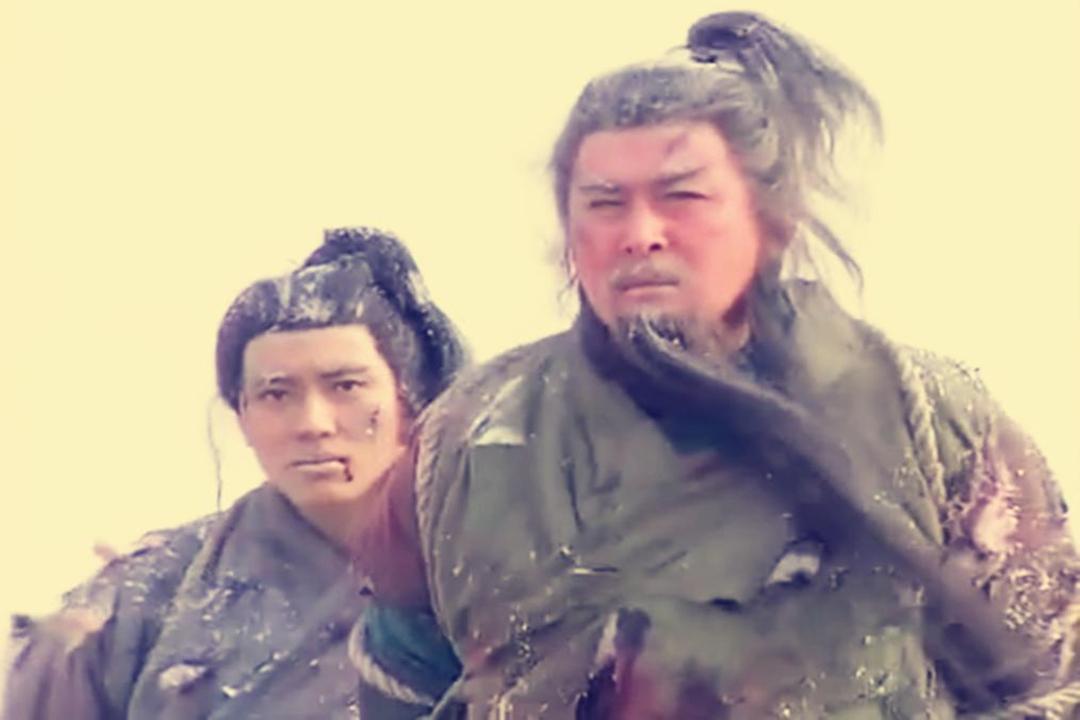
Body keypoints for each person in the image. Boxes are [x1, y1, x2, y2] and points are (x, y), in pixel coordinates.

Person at [351, 11, 1080, 719]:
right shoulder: (468, 444)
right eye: (604, 204)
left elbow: (1054, 684)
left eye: (682, 197)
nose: (640, 234)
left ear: (772, 219)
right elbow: (400, 682)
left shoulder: (929, 420)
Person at [3, 227, 467, 719]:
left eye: (346, 386)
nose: (312, 423)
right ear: (242, 415)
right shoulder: (147, 595)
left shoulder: (483, 569)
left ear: (410, 399)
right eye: (276, 394)